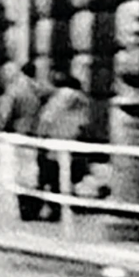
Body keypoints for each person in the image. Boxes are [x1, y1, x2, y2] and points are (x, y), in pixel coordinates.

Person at [34, 70, 88, 213]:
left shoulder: (57, 99)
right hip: (71, 144)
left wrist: (41, 138)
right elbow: (83, 124)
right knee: (64, 176)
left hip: (53, 144)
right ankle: (60, 205)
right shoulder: (81, 101)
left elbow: (46, 120)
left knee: (49, 177)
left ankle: (52, 207)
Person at [0, 59, 46, 219]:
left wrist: (3, 129)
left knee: (21, 174)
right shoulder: (40, 88)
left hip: (20, 135)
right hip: (37, 135)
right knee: (34, 173)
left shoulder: (15, 89)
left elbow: (6, 114)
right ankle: (34, 207)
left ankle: (25, 209)